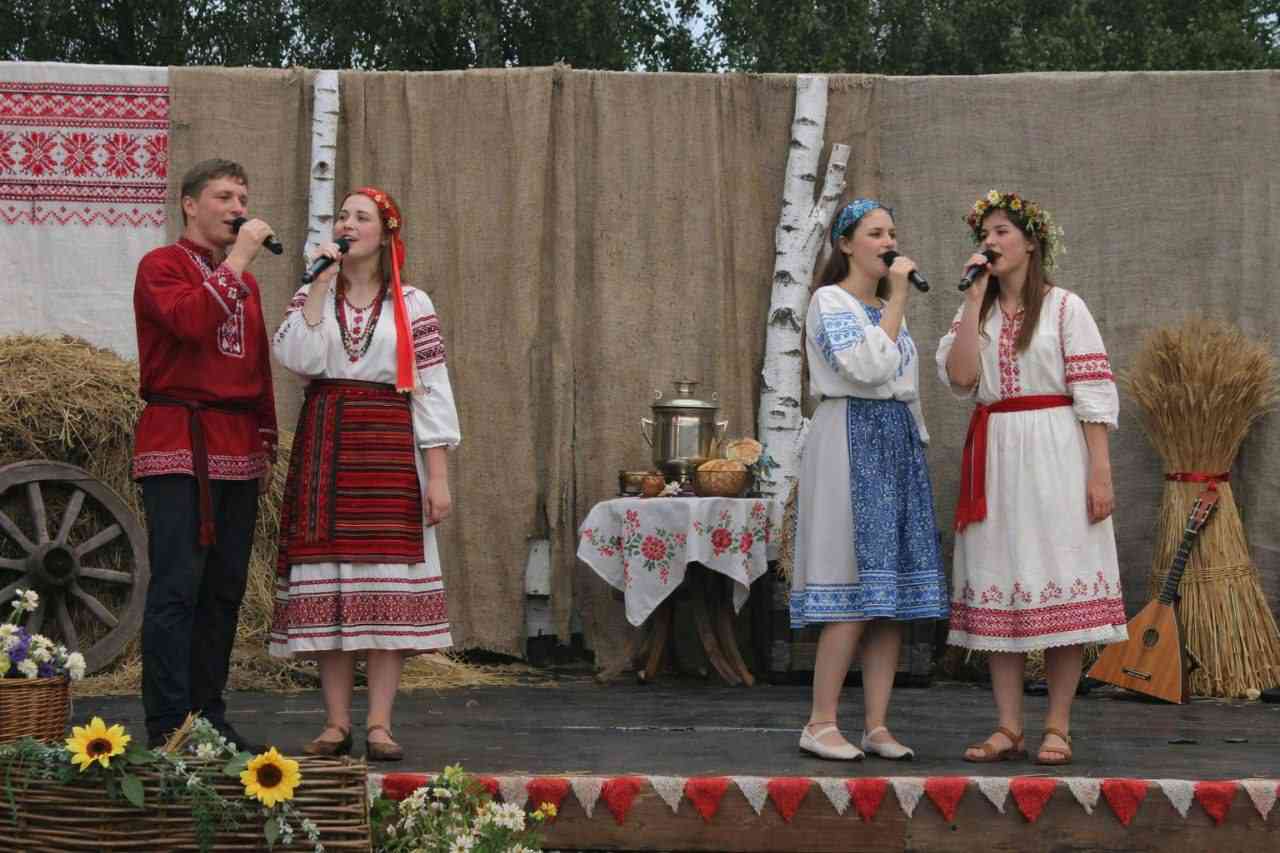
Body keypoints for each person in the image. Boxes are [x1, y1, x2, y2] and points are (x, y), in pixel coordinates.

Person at [269, 187, 460, 762]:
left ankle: (379, 724)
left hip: (387, 448)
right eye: (342, 216)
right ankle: (335, 724)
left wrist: (438, 476)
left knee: (385, 583)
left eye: (361, 217)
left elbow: (430, 388)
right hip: (327, 444)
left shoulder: (412, 303)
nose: (348, 224)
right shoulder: (313, 292)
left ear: (385, 232)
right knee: (330, 584)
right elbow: (298, 359)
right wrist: (319, 283)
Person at [937, 190, 1126, 766]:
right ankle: (1008, 726)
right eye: (984, 235)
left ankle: (1058, 727)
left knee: (1060, 577)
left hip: (1056, 454)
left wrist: (1099, 473)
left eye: (1001, 232)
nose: (990, 242)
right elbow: (962, 378)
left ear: (1031, 242)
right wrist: (973, 300)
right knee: (1003, 578)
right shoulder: (979, 310)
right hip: (996, 455)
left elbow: (1092, 394)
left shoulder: (1065, 307)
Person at [790, 199, 949, 761]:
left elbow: (905, 383)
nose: (889, 242)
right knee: (852, 583)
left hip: (894, 444)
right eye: (876, 233)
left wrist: (915, 442)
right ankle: (820, 722)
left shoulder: (885, 308)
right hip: (849, 438)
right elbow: (866, 368)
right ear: (845, 243)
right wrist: (899, 299)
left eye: (892, 233)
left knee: (890, 595)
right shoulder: (829, 301)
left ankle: (876, 725)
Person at [132, 158, 278, 751]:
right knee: (177, 588)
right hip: (179, 441)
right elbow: (190, 322)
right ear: (190, 205)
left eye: (243, 197)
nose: (237, 208)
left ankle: (208, 719)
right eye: (223, 197)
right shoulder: (160, 266)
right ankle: (169, 726)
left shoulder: (248, 285)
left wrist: (265, 441)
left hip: (237, 445)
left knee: (224, 591)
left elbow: (258, 368)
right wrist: (238, 259)